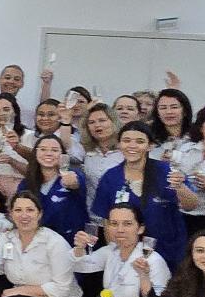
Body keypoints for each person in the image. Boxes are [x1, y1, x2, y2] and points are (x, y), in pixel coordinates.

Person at [91, 121, 186, 259]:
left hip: (169, 252)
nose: (132, 145)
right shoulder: (110, 177)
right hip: (128, 254)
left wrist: (180, 187)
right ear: (119, 145)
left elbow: (191, 205)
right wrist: (117, 257)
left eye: (140, 141)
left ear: (150, 146)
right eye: (126, 140)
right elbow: (107, 222)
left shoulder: (165, 171)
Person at [20, 133, 88, 240]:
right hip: (37, 240)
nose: (48, 153)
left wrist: (73, 183)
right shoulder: (26, 183)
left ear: (62, 155)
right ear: (36, 153)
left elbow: (76, 183)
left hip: (70, 242)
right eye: (43, 149)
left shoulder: (73, 174)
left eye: (55, 150)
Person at [74, 104, 124, 194]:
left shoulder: (125, 149)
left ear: (114, 122)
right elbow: (68, 150)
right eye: (91, 122)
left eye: (102, 120)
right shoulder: (86, 150)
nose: (97, 125)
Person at [0, 95, 27, 195]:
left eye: (6, 109)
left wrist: (12, 161)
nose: (1, 113)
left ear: (15, 112)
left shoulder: (27, 135)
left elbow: (34, 171)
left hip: (18, 188)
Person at [148, 89, 194, 160]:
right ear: (157, 113)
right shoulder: (148, 136)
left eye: (174, 107)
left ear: (185, 111)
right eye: (163, 108)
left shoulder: (197, 135)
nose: (168, 112)